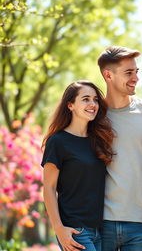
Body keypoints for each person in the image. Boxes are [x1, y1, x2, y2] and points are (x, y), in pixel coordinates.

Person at [97, 46, 142, 250]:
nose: (136, 78)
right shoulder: (92, 116)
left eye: (137, 72)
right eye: (129, 72)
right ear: (108, 75)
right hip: (101, 222)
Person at [41, 81, 115, 251]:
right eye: (86, 99)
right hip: (75, 230)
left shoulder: (98, 140)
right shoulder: (58, 142)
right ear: (70, 105)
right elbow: (49, 188)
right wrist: (59, 229)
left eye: (96, 100)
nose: (93, 104)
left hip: (101, 230)